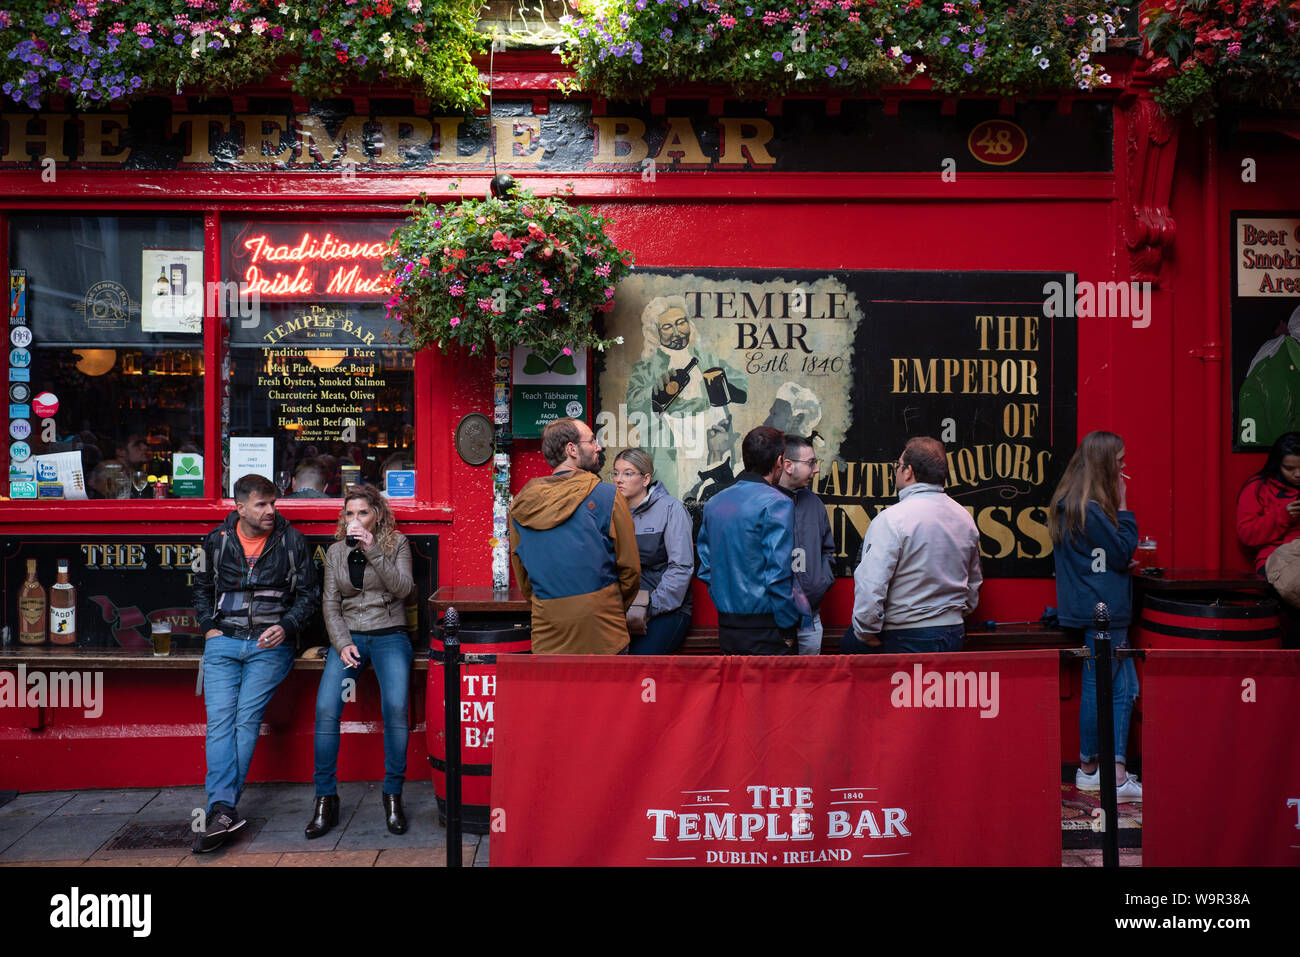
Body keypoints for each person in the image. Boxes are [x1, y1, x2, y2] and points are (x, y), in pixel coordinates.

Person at [191, 473, 319, 852]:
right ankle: (223, 809)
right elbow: (200, 587)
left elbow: (309, 596)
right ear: (239, 506)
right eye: (261, 504)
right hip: (224, 642)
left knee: (245, 719)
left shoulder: (292, 540)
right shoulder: (217, 540)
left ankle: (221, 809)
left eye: (273, 503)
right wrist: (209, 628)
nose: (270, 511)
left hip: (269, 644)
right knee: (219, 723)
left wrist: (286, 626)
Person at [306, 485, 414, 839]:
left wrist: (372, 549)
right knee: (326, 709)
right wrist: (341, 643)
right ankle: (325, 799)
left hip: (389, 634)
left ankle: (392, 795)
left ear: (377, 515)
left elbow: (403, 589)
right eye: (349, 514)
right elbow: (330, 604)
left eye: (362, 513)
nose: (355, 520)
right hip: (350, 639)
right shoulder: (335, 551)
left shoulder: (396, 542)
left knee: (396, 707)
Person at [1049, 430, 1142, 803]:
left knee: (1120, 687)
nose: (1123, 467)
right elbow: (1119, 552)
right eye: (1119, 461)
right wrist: (1124, 507)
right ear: (1104, 464)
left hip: (1089, 605)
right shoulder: (1091, 507)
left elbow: (1097, 558)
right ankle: (1103, 773)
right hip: (1105, 611)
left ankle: (1099, 769)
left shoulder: (1070, 503)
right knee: (1113, 691)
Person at [509, 417, 641, 654]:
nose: (598, 446)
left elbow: (523, 576)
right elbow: (630, 569)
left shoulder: (521, 504)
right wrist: (607, 606)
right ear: (571, 449)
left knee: (556, 692)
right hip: (603, 631)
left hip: (547, 631)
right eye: (591, 441)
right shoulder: (607, 496)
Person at [845, 437, 982, 654]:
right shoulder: (964, 518)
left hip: (903, 635)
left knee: (850, 648)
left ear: (908, 472)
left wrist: (865, 632)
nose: (897, 471)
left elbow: (871, 584)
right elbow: (973, 584)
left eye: (898, 465)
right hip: (953, 632)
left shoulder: (892, 520)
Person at [625, 295, 749, 502]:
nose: (677, 331)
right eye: (667, 327)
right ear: (655, 332)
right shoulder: (646, 368)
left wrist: (723, 386)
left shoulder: (707, 359)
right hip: (673, 449)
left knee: (712, 501)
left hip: (711, 445)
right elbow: (634, 409)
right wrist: (656, 392)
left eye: (681, 323)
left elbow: (742, 390)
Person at [697, 425, 802, 654]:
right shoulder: (777, 503)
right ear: (779, 460)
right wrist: (786, 627)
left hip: (727, 624)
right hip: (767, 626)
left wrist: (725, 604)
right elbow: (777, 574)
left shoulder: (714, 503)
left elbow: (706, 567)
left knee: (736, 689)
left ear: (745, 458)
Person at [611, 448, 694, 654]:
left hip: (666, 609)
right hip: (621, 610)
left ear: (646, 478)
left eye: (628, 473)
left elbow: (681, 567)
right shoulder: (611, 512)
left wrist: (650, 607)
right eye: (615, 473)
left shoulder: (670, 509)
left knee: (641, 661)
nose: (619, 479)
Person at [778, 435, 835, 655]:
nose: (816, 469)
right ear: (788, 466)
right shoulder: (765, 502)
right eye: (811, 463)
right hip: (773, 623)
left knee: (810, 685)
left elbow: (827, 550)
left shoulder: (815, 503)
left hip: (811, 618)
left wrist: (821, 582)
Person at [1236, 431, 1300, 575]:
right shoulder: (1260, 487)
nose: (1298, 474)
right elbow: (1247, 534)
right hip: (1277, 559)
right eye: (1289, 468)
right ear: (1278, 465)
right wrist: (1283, 515)